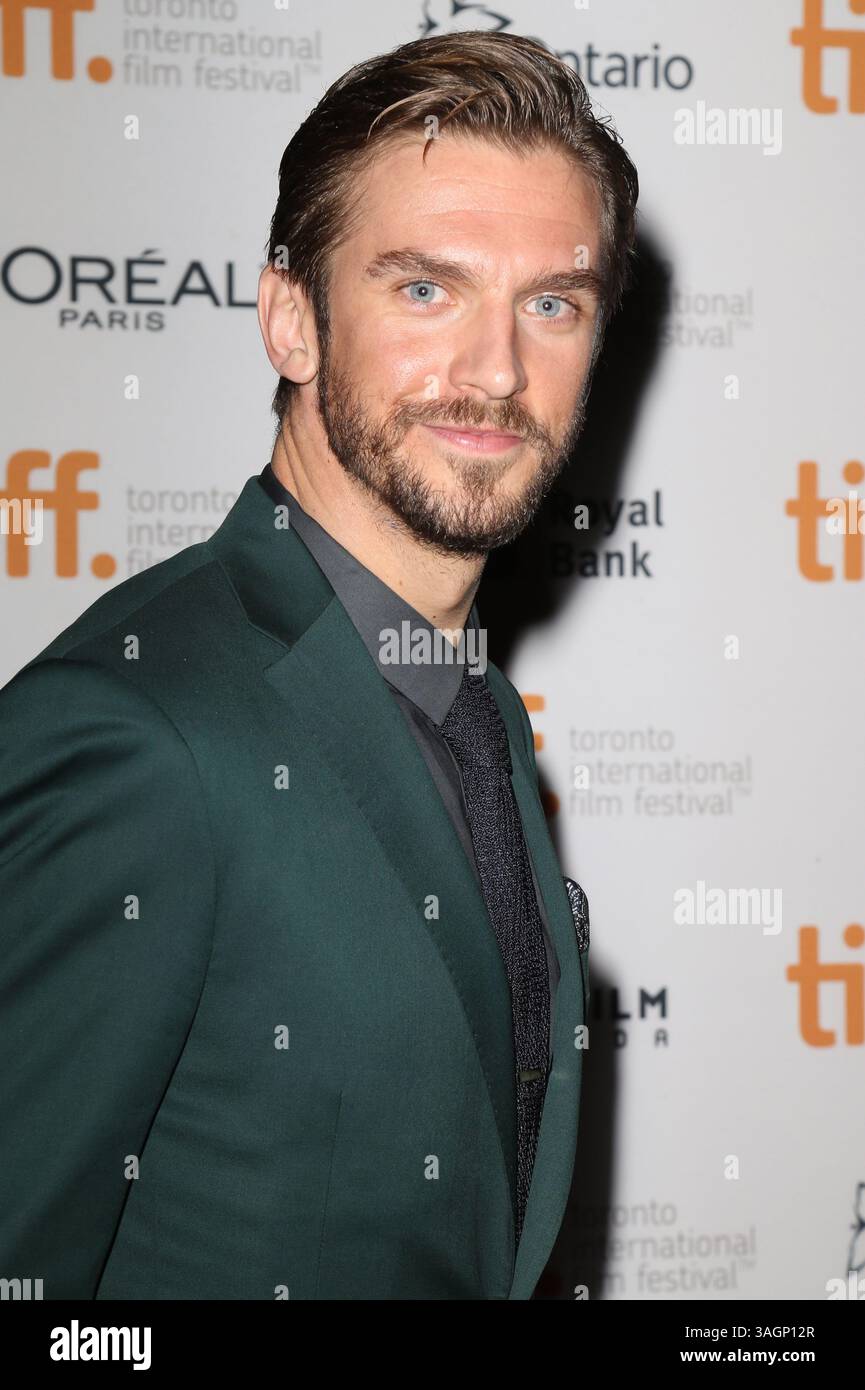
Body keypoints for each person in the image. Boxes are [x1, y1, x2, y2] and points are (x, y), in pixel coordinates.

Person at [0, 29, 636, 1300]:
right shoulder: (136, 729)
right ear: (290, 319)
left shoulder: (474, 713)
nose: (498, 371)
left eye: (549, 303)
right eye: (423, 289)